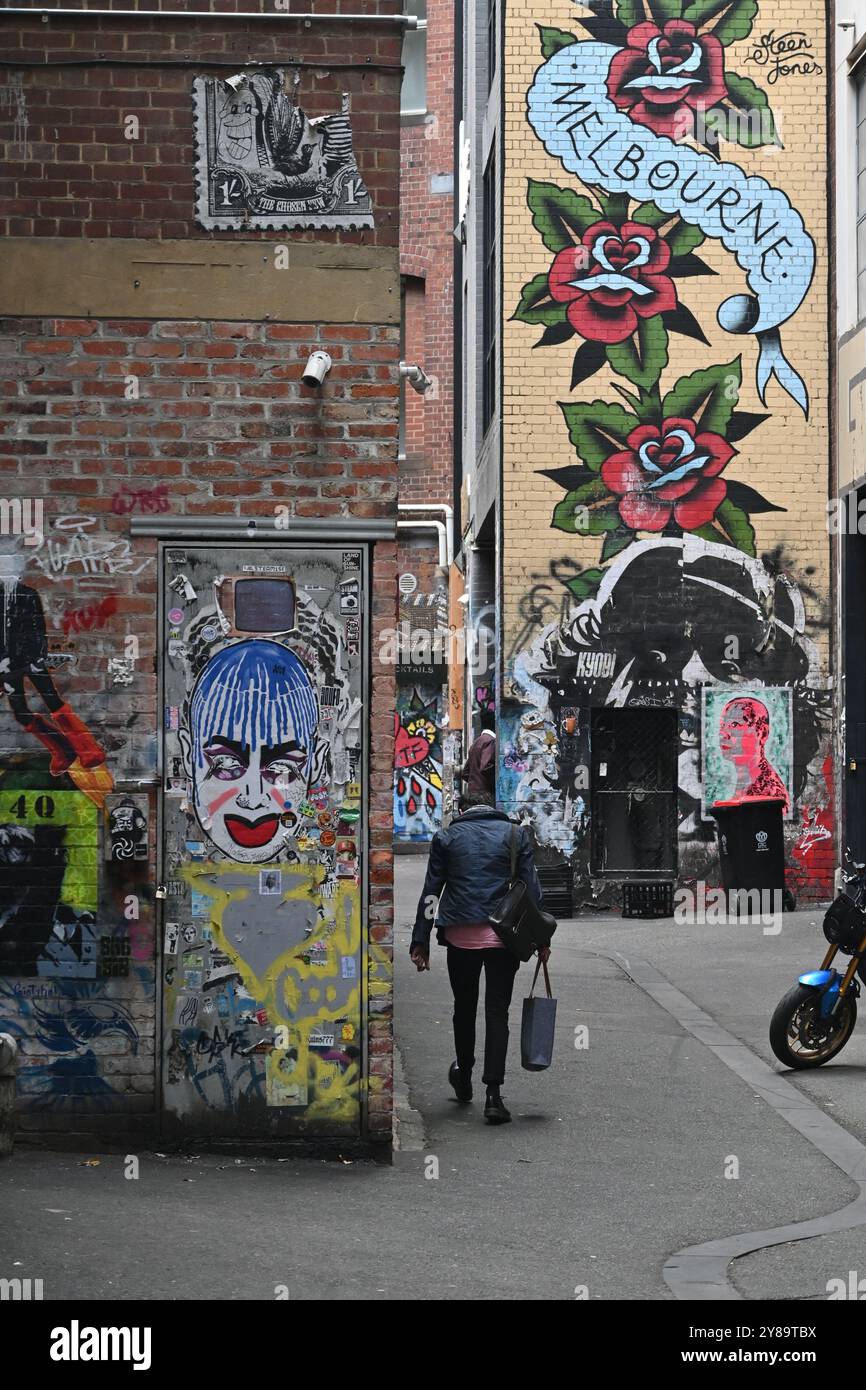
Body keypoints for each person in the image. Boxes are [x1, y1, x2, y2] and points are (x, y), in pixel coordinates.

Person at [410, 790, 549, 1125]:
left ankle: (465, 1075)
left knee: (464, 1008)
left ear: (463, 809)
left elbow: (432, 891)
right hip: (503, 936)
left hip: (460, 935)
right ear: (493, 807)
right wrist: (541, 939)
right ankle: (493, 1095)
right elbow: (532, 888)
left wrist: (421, 939)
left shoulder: (446, 837)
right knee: (497, 1012)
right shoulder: (516, 834)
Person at [462, 706, 496, 795]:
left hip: (472, 794)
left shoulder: (476, 742)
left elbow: (465, 773)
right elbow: (486, 767)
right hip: (485, 795)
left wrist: (474, 782)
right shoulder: (490, 741)